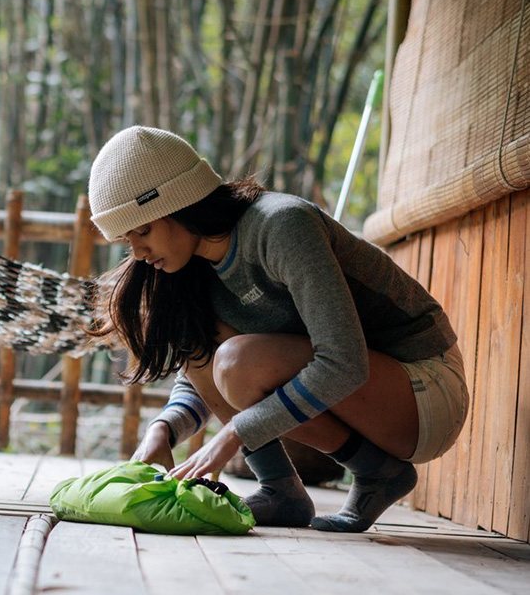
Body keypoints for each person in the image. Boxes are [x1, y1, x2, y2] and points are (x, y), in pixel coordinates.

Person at [87, 126, 469, 532]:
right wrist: (163, 430)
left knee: (239, 362)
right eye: (129, 240)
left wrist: (235, 432)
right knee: (208, 344)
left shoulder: (282, 225)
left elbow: (344, 363)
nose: (139, 253)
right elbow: (200, 366)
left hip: (426, 390)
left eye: (143, 231)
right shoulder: (192, 265)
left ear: (182, 202)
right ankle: (280, 490)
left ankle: (377, 471)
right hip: (371, 396)